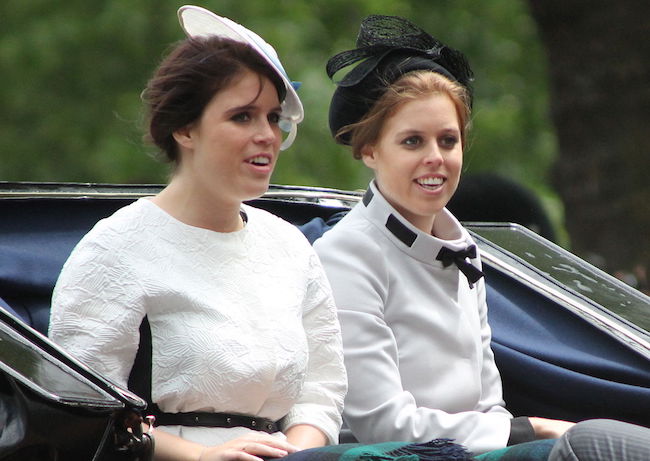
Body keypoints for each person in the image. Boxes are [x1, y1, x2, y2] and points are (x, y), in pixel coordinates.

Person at [313, 14, 650, 460]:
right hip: (406, 453)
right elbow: (384, 423)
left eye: (448, 141)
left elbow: (489, 403)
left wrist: (511, 430)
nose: (436, 158)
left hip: (476, 449)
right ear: (370, 150)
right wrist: (528, 429)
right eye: (413, 142)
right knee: (596, 442)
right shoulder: (344, 254)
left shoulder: (465, 250)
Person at [49, 6, 346, 461]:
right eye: (243, 117)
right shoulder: (115, 248)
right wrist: (200, 457)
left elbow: (321, 389)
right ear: (185, 128)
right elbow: (77, 413)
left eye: (273, 117)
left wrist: (297, 455)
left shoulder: (289, 247)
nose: (266, 134)